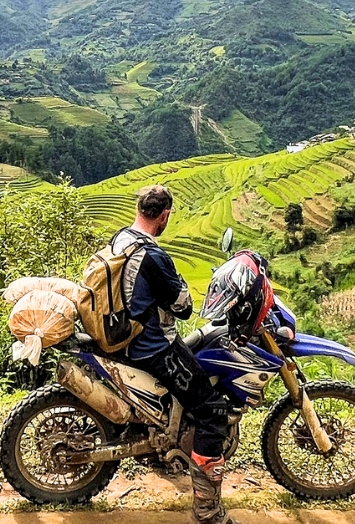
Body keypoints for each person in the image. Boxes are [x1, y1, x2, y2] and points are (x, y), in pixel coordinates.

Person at [111, 184, 234, 524]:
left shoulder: (121, 238)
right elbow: (183, 307)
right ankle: (207, 510)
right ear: (164, 215)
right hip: (152, 346)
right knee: (211, 409)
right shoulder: (153, 255)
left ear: (139, 209)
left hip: (123, 336)